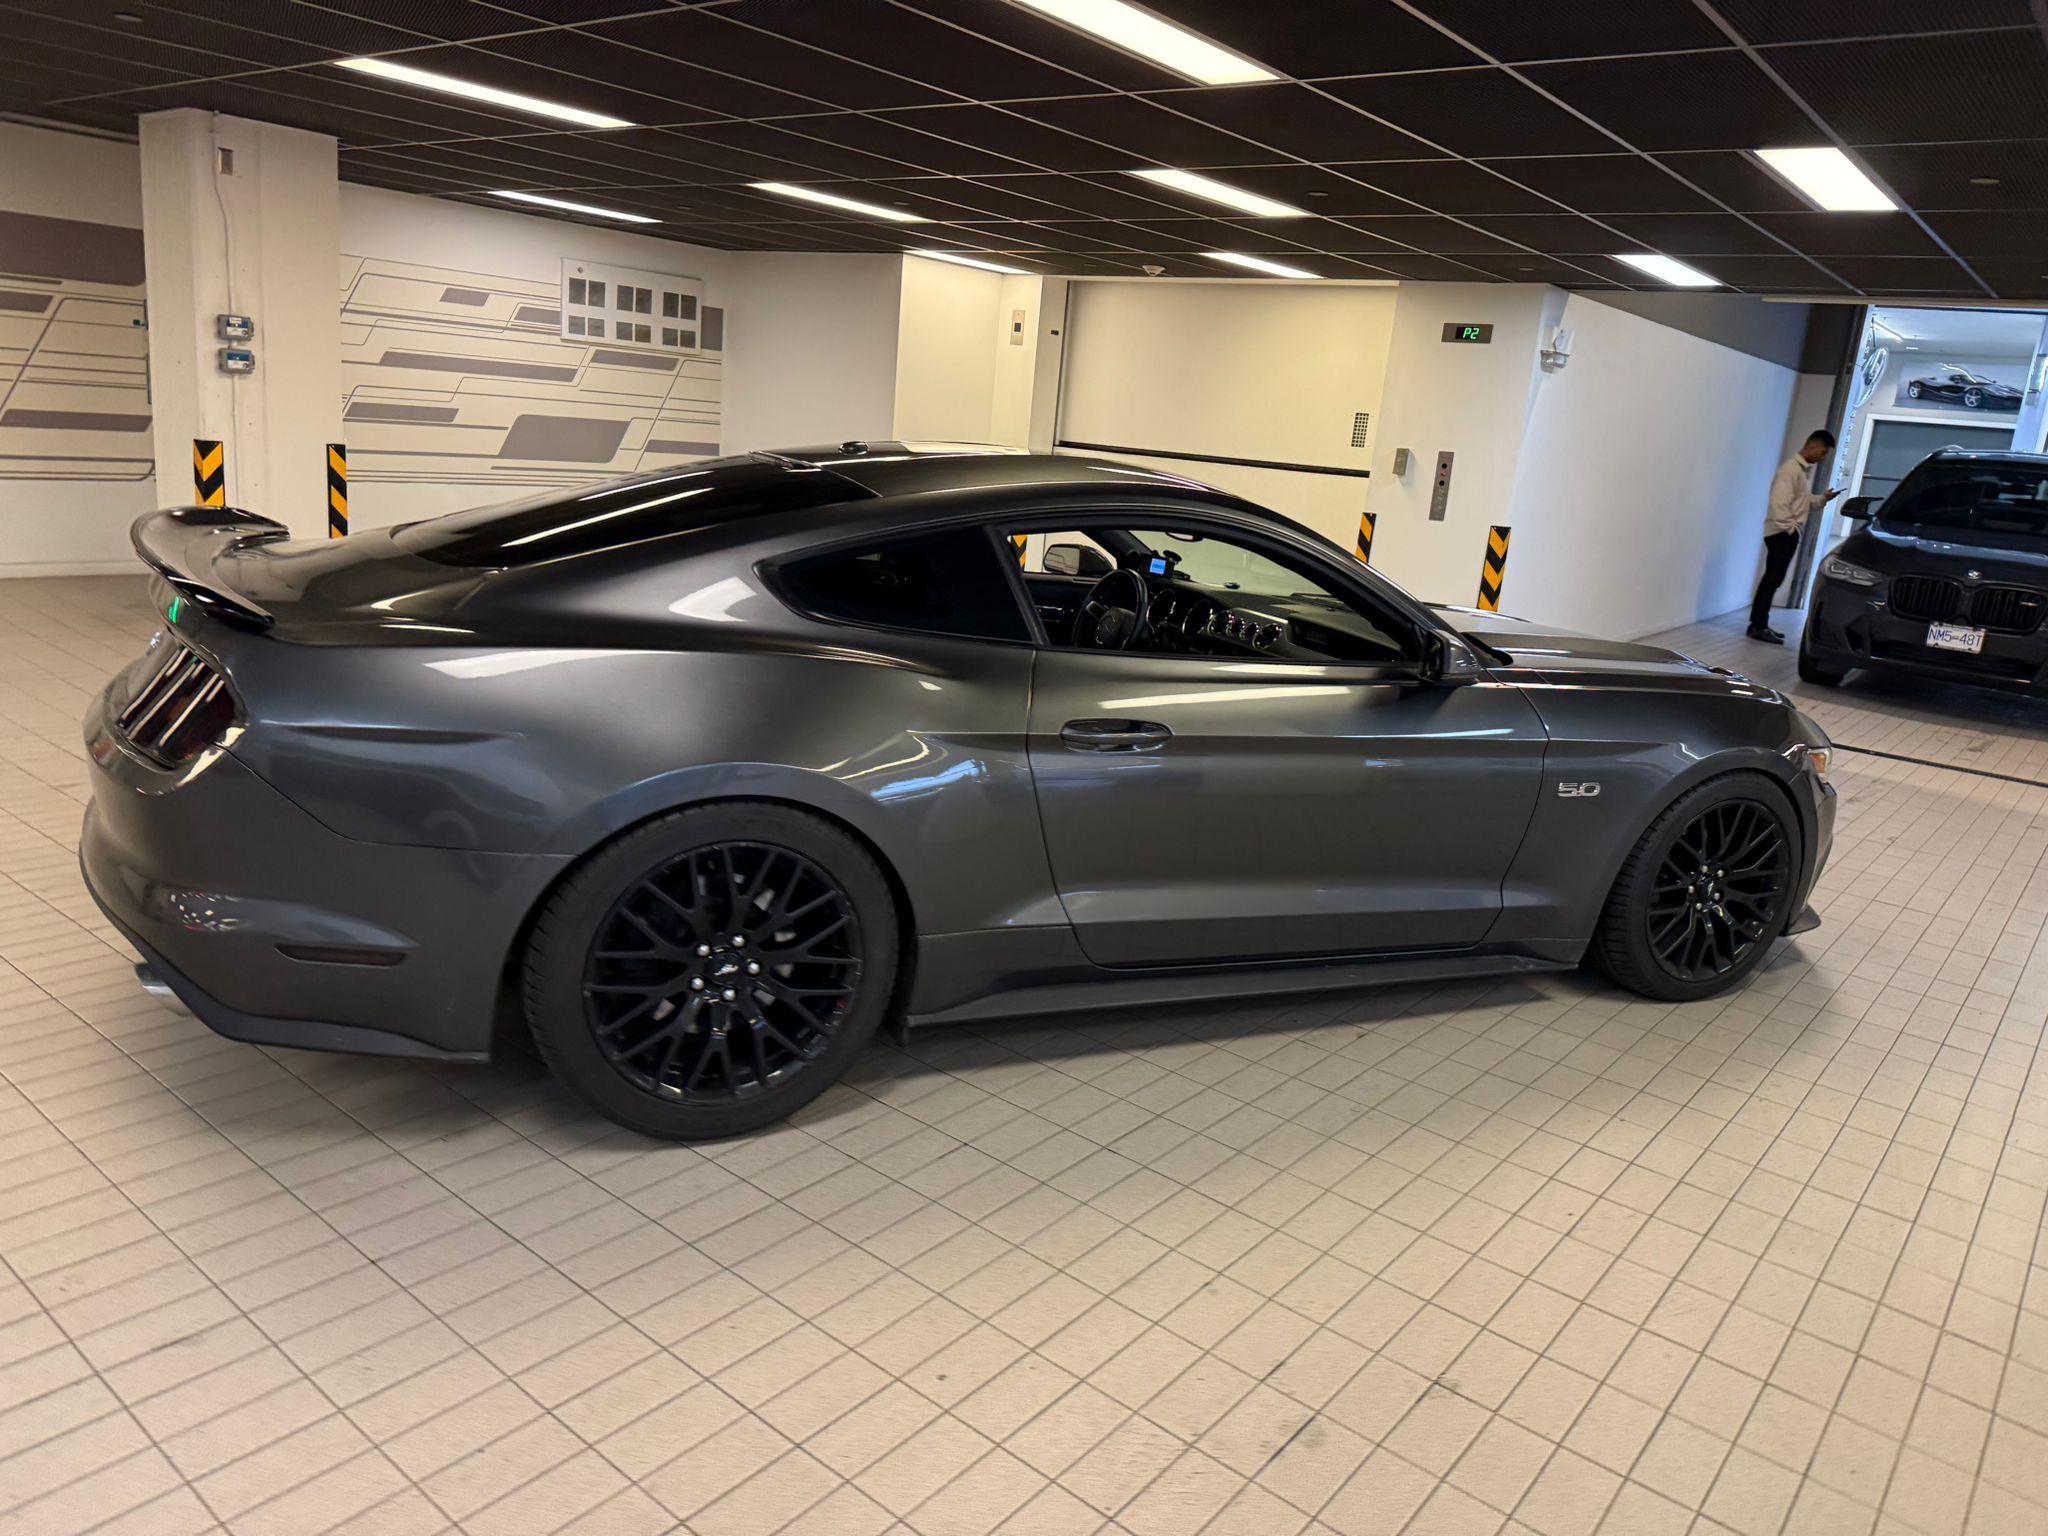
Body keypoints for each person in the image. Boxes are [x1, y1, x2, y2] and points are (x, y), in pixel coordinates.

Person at [1748, 429, 1840, 644]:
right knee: (1772, 580)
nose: (1822, 457)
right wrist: (1789, 529)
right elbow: (1779, 503)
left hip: (1785, 532)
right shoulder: (1790, 471)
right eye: (1823, 452)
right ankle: (1758, 626)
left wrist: (1824, 498)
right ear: (1813, 446)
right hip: (1782, 533)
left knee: (1773, 579)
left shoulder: (1801, 472)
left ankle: (1758, 624)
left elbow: (1803, 503)